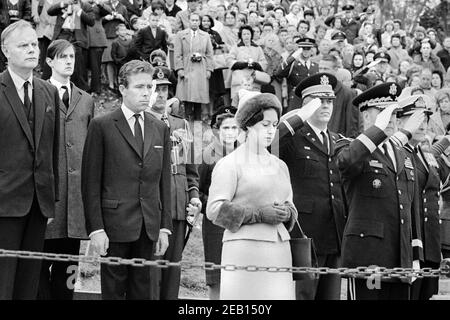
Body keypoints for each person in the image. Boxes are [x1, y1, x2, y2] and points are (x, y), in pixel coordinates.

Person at [81, 60, 172, 300]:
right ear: (122, 88)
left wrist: (164, 227)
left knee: (142, 291)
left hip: (148, 226)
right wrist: (96, 229)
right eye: (139, 87)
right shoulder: (101, 126)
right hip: (113, 226)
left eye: (149, 87)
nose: (146, 93)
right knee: (112, 293)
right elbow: (90, 182)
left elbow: (163, 182)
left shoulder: (159, 128)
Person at [335, 82, 425, 300]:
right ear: (366, 117)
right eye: (384, 113)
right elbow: (346, 163)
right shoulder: (351, 146)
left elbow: (409, 208)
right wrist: (377, 131)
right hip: (368, 257)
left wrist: (414, 255)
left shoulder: (402, 154)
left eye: (394, 113)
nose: (391, 119)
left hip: (399, 258)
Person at [206, 90, 297, 300]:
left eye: (274, 125)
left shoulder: (280, 165)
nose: (270, 131)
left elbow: (291, 204)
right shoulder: (230, 163)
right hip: (244, 251)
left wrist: (287, 213)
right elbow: (214, 210)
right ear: (248, 125)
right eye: (265, 125)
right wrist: (257, 214)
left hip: (280, 251)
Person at [0, 20, 60, 300]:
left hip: (38, 204)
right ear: (5, 51)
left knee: (29, 284)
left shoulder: (48, 91)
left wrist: (52, 199)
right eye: (22, 45)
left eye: (34, 44)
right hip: (3, 204)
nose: (31, 50)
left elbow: (52, 148)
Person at [273, 73, 346, 300]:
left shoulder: (337, 140)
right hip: (304, 235)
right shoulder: (293, 138)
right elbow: (268, 143)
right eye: (318, 101)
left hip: (334, 235)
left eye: (329, 101)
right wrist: (299, 117)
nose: (325, 106)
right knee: (302, 296)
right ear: (305, 104)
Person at [38, 39, 94, 300]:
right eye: (62, 57)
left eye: (72, 56)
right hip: (47, 201)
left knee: (68, 272)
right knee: (36, 271)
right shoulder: (38, 93)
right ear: (49, 62)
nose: (69, 61)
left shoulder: (86, 100)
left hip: (75, 206)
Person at [146, 66, 200, 300]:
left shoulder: (181, 125)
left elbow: (191, 170)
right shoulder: (142, 121)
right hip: (150, 205)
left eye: (165, 89)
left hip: (178, 205)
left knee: (172, 270)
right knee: (150, 271)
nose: (161, 94)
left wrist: (195, 196)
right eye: (156, 88)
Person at [396, 94, 449, 300]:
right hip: (412, 243)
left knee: (429, 295)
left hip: (431, 243)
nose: (421, 124)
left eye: (425, 119)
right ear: (401, 121)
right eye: (415, 118)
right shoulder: (399, 153)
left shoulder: (425, 154)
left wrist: (444, 142)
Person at [199, 106, 239, 300]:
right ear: (217, 130)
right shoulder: (208, 156)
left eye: (234, 128)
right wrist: (217, 206)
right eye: (226, 128)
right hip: (216, 224)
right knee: (217, 277)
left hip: (241, 222)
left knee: (239, 275)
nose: (230, 132)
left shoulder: (246, 155)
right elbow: (197, 190)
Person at [47, 0, 95, 91]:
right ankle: (51, 89)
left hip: (76, 38)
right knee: (55, 63)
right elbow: (49, 11)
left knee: (77, 69)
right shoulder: (63, 3)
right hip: (61, 35)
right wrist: (62, 4)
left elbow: (92, 22)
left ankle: (79, 93)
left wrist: (79, 11)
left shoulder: (86, 6)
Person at [174, 12, 213, 121]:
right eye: (192, 20)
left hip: (201, 69)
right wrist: (180, 69)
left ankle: (197, 127)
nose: (195, 22)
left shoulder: (205, 36)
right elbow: (177, 54)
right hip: (187, 68)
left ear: (199, 22)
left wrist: (209, 69)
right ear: (189, 21)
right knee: (187, 99)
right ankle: (187, 125)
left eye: (197, 20)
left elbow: (210, 54)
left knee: (198, 100)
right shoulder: (181, 35)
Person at [318, 54, 359, 138]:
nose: (322, 72)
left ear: (335, 70)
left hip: (337, 144)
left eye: (325, 69)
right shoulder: (313, 90)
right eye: (320, 68)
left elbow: (352, 126)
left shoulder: (348, 94)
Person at [226, 25, 267, 107]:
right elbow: (229, 60)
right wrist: (242, 64)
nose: (246, 36)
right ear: (240, 35)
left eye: (248, 34)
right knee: (237, 104)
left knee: (253, 104)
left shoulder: (257, 48)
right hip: (239, 80)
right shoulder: (236, 47)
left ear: (251, 35)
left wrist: (255, 64)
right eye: (244, 34)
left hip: (254, 80)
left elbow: (264, 63)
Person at [274, 37, 318, 111]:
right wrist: (293, 57)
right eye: (303, 49)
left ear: (312, 51)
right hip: (295, 101)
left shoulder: (316, 66)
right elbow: (279, 73)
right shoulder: (292, 65)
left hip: (311, 100)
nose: (305, 51)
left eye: (308, 49)